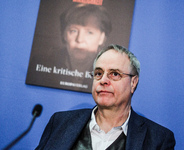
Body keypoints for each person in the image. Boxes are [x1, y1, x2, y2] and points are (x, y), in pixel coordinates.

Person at [35, 44, 176, 150]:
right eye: (98, 73)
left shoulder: (159, 139)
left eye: (114, 74)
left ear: (133, 82)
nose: (103, 80)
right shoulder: (60, 122)